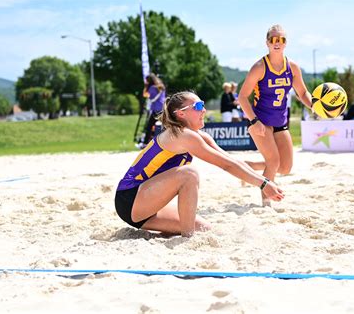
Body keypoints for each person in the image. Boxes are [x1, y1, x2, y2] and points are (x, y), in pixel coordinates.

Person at [115, 91, 284, 237]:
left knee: (206, 229)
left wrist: (265, 182)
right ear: (180, 114)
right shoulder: (182, 135)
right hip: (131, 199)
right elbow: (225, 166)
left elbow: (231, 161)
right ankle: (188, 240)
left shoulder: (199, 136)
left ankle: (179, 235)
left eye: (202, 105)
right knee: (189, 174)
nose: (203, 110)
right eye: (197, 106)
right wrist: (263, 184)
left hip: (147, 204)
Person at [238, 24, 313, 206]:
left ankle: (249, 167)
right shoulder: (259, 67)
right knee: (273, 161)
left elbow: (302, 93)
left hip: (280, 121)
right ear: (267, 43)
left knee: (285, 167)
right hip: (260, 121)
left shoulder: (293, 67)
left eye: (281, 39)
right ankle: (266, 203)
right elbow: (242, 97)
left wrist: (315, 107)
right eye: (273, 39)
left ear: (286, 43)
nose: (277, 43)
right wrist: (254, 121)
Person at [137, 73, 166, 149]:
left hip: (156, 109)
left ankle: (145, 143)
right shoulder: (161, 87)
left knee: (149, 126)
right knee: (165, 125)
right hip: (163, 108)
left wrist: (146, 86)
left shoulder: (152, 88)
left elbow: (145, 95)